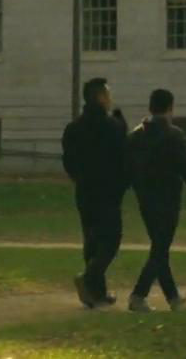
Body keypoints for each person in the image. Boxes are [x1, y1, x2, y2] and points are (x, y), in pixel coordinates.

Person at [124, 88, 186, 312]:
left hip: (145, 198)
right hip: (168, 199)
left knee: (159, 247)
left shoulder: (136, 136)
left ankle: (172, 297)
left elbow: (129, 169)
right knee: (160, 249)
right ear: (170, 108)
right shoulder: (173, 136)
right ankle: (138, 294)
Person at [62, 78, 130, 309]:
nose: (110, 98)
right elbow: (123, 156)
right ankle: (90, 277)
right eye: (107, 94)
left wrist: (79, 179)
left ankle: (97, 293)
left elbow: (68, 161)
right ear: (100, 97)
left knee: (91, 239)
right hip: (108, 191)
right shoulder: (112, 126)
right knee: (111, 240)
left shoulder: (73, 128)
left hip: (85, 190)